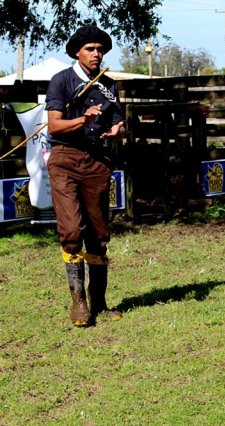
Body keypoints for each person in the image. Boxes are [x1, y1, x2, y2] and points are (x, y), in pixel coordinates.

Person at [45, 23, 124, 326]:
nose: (96, 54)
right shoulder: (61, 81)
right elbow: (54, 126)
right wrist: (82, 119)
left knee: (99, 236)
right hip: (65, 160)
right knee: (72, 231)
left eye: (100, 49)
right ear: (77, 52)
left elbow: (117, 120)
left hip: (96, 162)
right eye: (90, 49)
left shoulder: (108, 85)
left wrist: (117, 130)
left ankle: (99, 302)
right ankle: (78, 301)